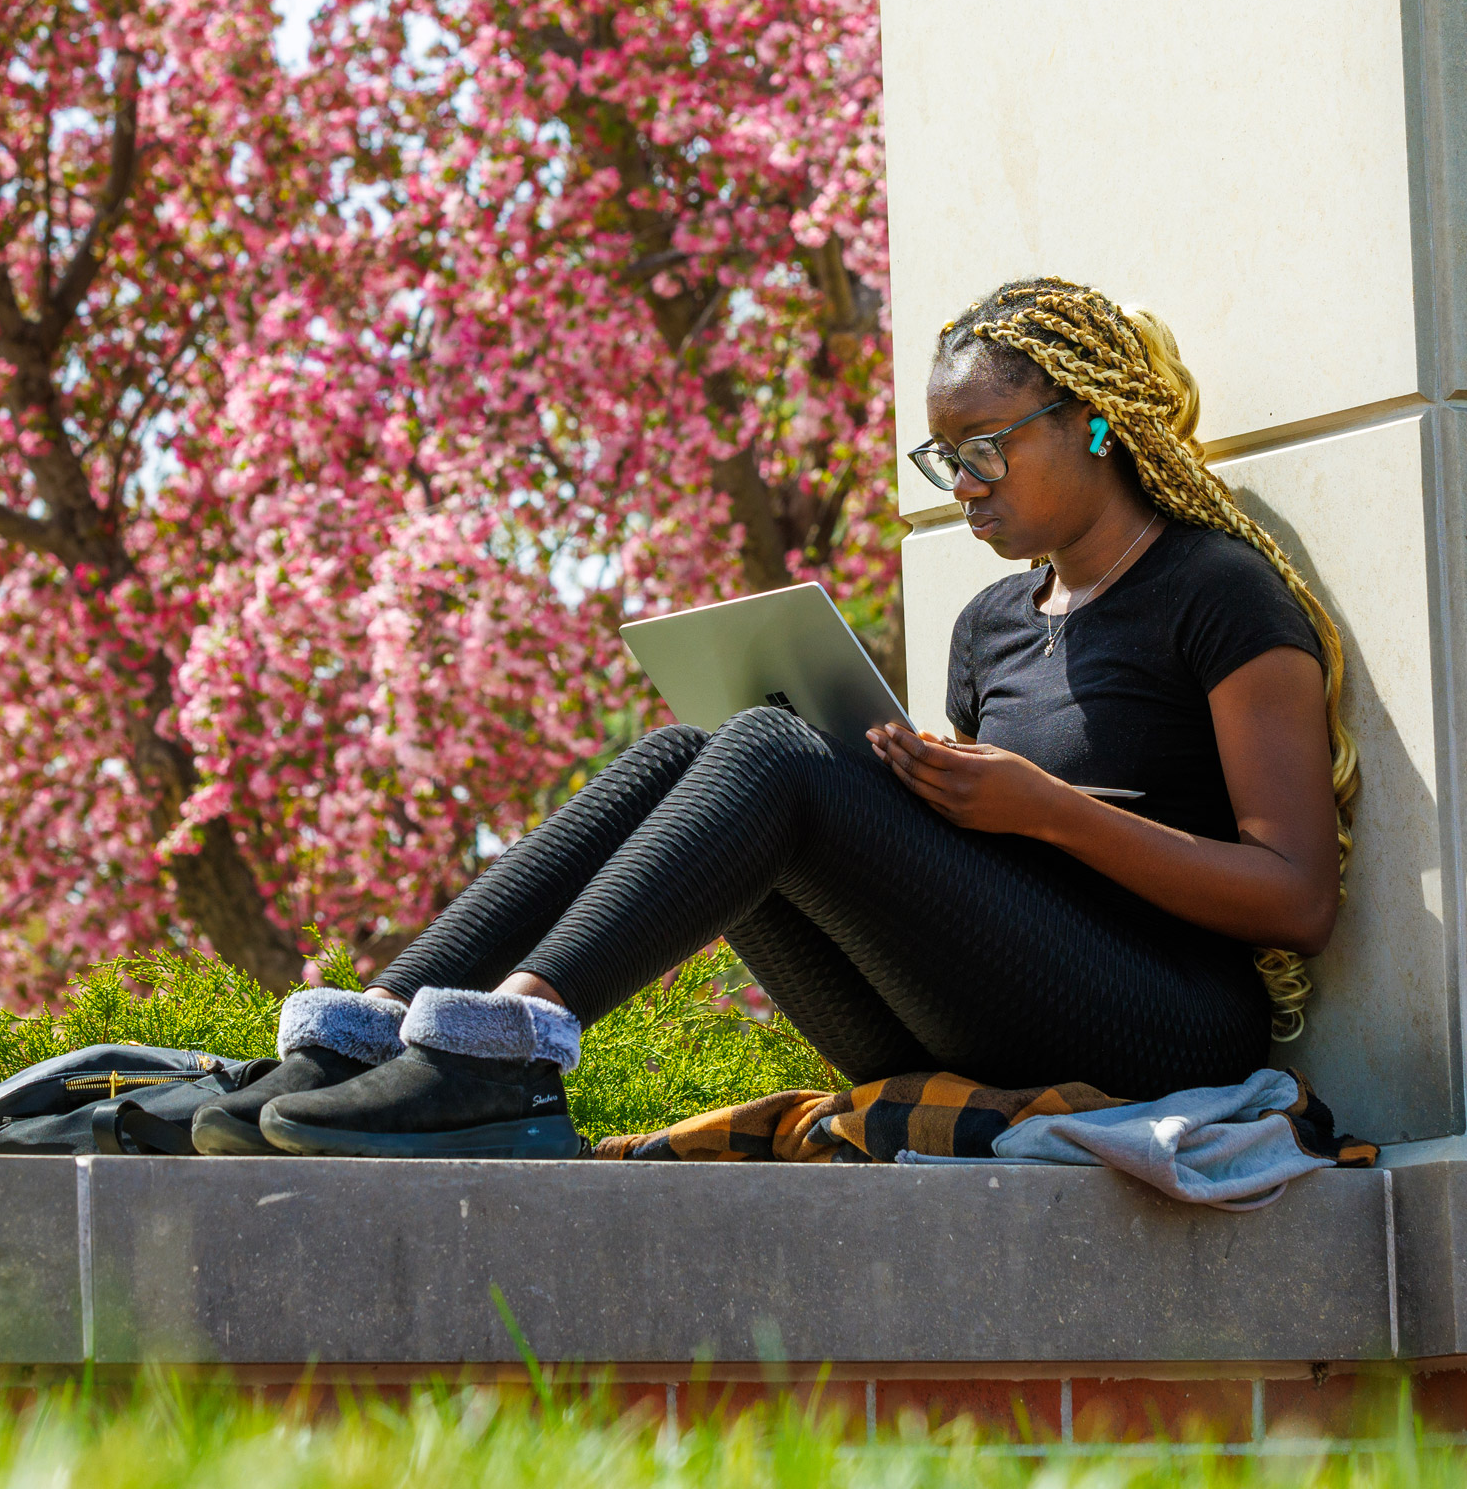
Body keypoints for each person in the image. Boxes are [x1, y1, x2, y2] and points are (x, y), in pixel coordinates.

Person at [191, 278, 1359, 1160]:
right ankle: (370, 1029)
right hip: (984, 1014)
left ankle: (511, 1052)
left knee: (766, 751)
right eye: (943, 456)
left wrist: (1045, 812)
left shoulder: (1214, 593)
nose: (962, 486)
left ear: (1095, 424)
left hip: (1164, 1024)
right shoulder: (992, 624)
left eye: (986, 449)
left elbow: (1293, 897)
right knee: (689, 752)